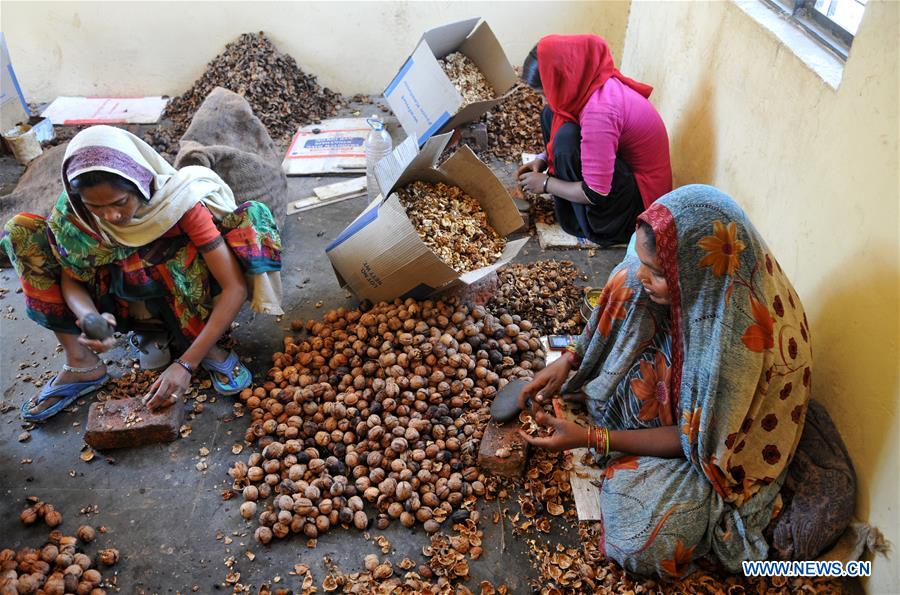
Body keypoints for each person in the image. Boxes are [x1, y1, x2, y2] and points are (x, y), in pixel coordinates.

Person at [518, 185, 845, 576]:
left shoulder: (736, 339)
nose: (646, 274)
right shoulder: (700, 280)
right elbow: (635, 274)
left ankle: (628, 443)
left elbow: (699, 443)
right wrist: (572, 358)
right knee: (628, 283)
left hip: (720, 444)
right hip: (690, 393)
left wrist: (592, 438)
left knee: (643, 538)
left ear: (694, 271)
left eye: (658, 271)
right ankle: (627, 426)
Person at [1, 125, 283, 422]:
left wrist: (187, 364)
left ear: (140, 183)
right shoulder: (74, 214)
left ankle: (201, 343)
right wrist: (90, 319)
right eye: (95, 206)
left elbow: (233, 287)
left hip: (184, 299)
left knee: (172, 255)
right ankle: (83, 362)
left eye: (120, 203)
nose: (111, 216)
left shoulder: (180, 203)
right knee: (21, 233)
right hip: (121, 301)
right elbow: (71, 279)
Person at [517, 35, 672, 247]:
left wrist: (546, 184)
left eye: (545, 93)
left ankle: (588, 224)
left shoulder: (600, 112)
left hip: (636, 210)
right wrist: (543, 159)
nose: (545, 100)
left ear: (563, 78)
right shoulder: (590, 82)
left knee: (566, 141)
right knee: (551, 113)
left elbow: (596, 192)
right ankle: (567, 192)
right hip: (622, 178)